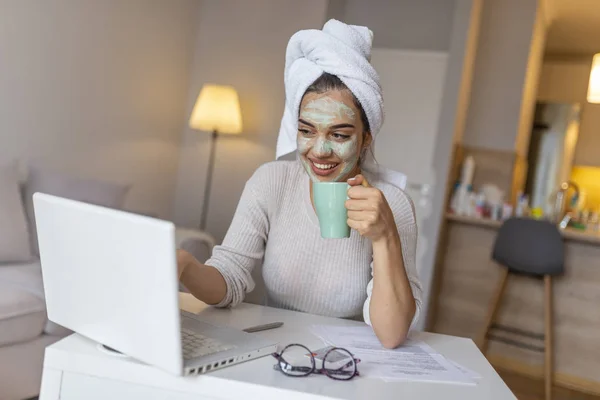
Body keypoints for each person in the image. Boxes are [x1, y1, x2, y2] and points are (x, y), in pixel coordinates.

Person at [177, 19, 422, 349]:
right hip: (274, 353)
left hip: (347, 366)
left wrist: (385, 236)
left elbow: (392, 335)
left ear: (366, 138)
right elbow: (229, 279)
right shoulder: (271, 181)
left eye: (339, 134)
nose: (319, 151)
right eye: (307, 131)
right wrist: (187, 268)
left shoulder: (391, 204)